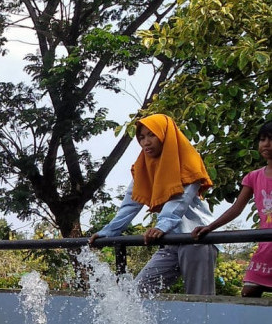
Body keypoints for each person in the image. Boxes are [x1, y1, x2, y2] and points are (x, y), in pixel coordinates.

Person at [89, 114, 218, 295]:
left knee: (199, 298)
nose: (146, 142)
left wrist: (162, 225)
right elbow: (130, 204)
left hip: (195, 238)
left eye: (151, 135)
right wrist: (108, 232)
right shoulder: (144, 166)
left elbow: (180, 200)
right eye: (141, 137)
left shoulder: (188, 160)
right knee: (138, 292)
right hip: (169, 241)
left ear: (165, 135)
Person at [192, 121, 272, 297]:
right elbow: (236, 208)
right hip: (266, 247)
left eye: (271, 139)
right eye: (262, 139)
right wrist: (210, 227)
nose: (266, 144)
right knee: (249, 291)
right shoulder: (253, 177)